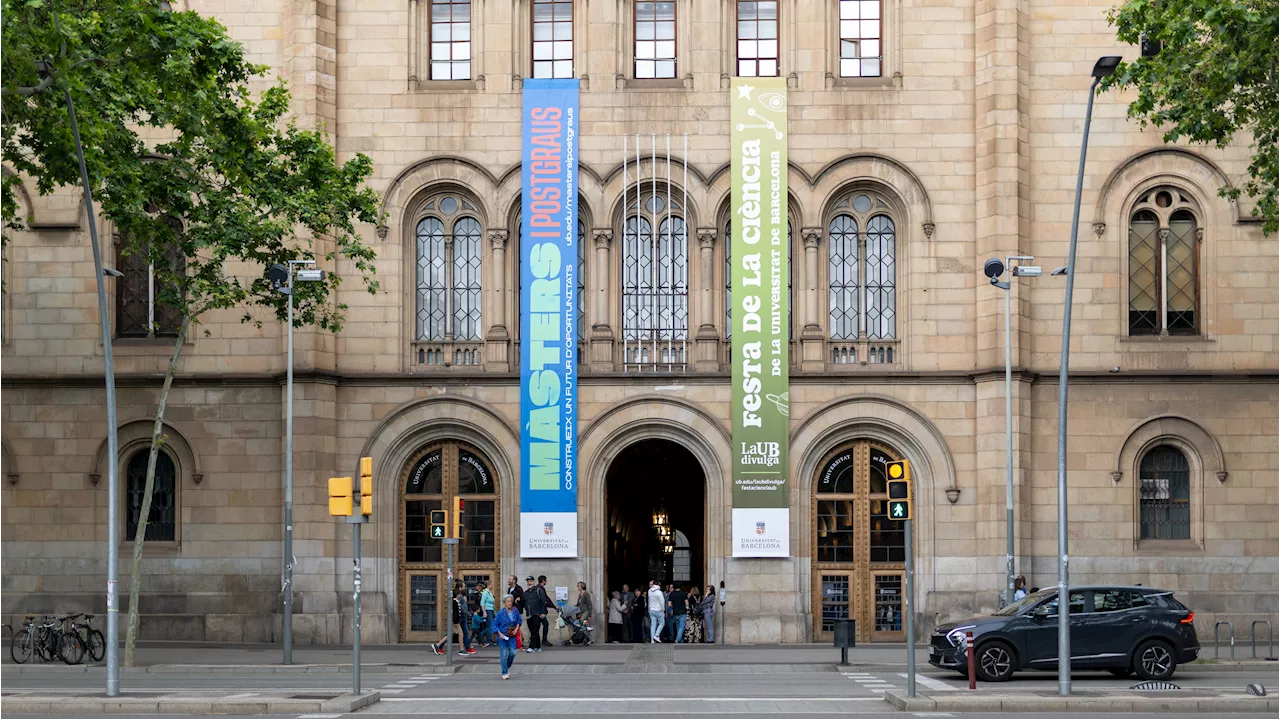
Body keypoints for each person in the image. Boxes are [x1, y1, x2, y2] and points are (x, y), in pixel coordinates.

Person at [433, 583, 475, 656]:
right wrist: (458, 620)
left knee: (452, 634)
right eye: (464, 587)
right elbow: (456, 612)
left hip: (458, 619)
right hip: (457, 620)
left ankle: (438, 645)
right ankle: (462, 650)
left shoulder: (459, 599)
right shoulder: (455, 601)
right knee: (461, 633)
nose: (465, 588)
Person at [492, 595, 522, 680]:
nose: (509, 603)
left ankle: (506, 667)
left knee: (513, 653)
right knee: (504, 654)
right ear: (504, 603)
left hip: (512, 635)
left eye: (510, 601)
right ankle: (504, 672)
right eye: (507, 601)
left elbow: (519, 621)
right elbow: (494, 624)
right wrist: (499, 633)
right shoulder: (500, 613)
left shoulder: (515, 611)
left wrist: (516, 629)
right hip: (503, 636)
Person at [523, 575, 549, 653]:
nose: (529, 582)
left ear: (533, 582)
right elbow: (524, 602)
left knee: (535, 630)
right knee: (533, 631)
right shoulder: (526, 593)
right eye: (528, 581)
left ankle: (532, 646)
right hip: (529, 614)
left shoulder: (538, 590)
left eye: (530, 581)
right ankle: (538, 647)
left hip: (537, 613)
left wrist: (543, 612)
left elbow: (543, 601)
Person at [479, 581, 496, 647]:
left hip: (491, 610)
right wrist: (484, 612)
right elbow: (482, 602)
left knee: (490, 625)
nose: (492, 586)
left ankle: (480, 636)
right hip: (487, 610)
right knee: (489, 626)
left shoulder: (489, 592)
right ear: (488, 585)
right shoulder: (485, 593)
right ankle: (489, 641)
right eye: (491, 584)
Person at [537, 575, 553, 647]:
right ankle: (544, 640)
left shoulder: (537, 588)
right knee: (545, 625)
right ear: (543, 581)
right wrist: (542, 612)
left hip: (537, 611)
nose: (546, 582)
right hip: (540, 611)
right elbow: (544, 600)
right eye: (546, 580)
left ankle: (537, 640)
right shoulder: (540, 589)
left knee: (537, 626)